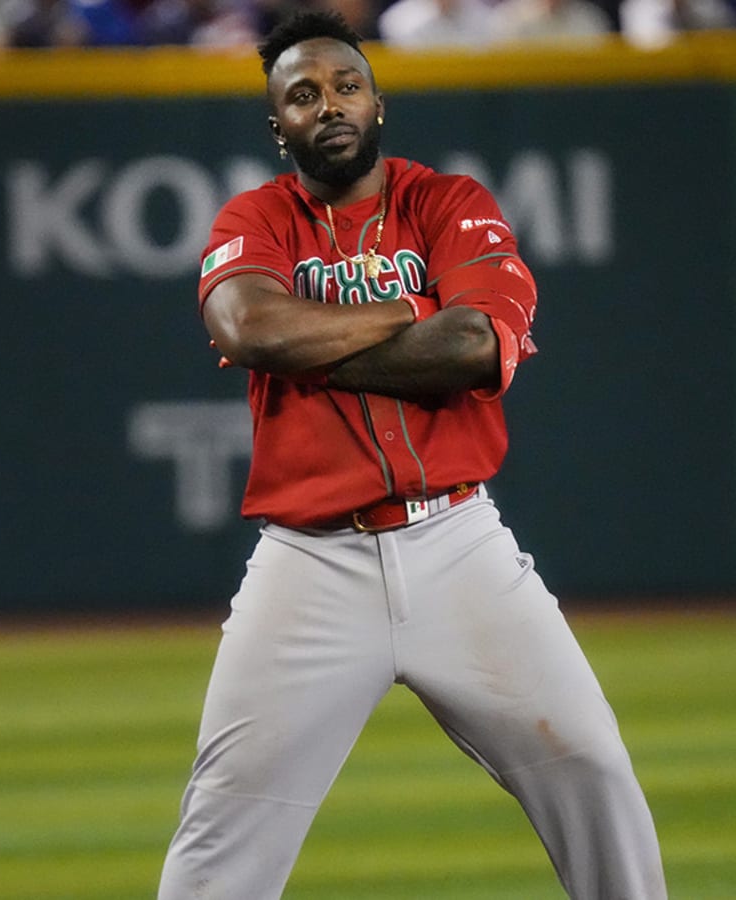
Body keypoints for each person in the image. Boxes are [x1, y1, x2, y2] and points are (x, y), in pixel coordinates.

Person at [156, 10, 668, 898]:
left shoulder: (450, 204)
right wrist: (405, 311)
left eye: (346, 85)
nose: (330, 105)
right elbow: (247, 326)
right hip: (308, 562)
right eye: (303, 95)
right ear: (279, 125)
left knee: (591, 769)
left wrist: (314, 344)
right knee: (223, 829)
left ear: (378, 103)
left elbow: (473, 345)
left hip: (458, 544)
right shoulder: (258, 217)